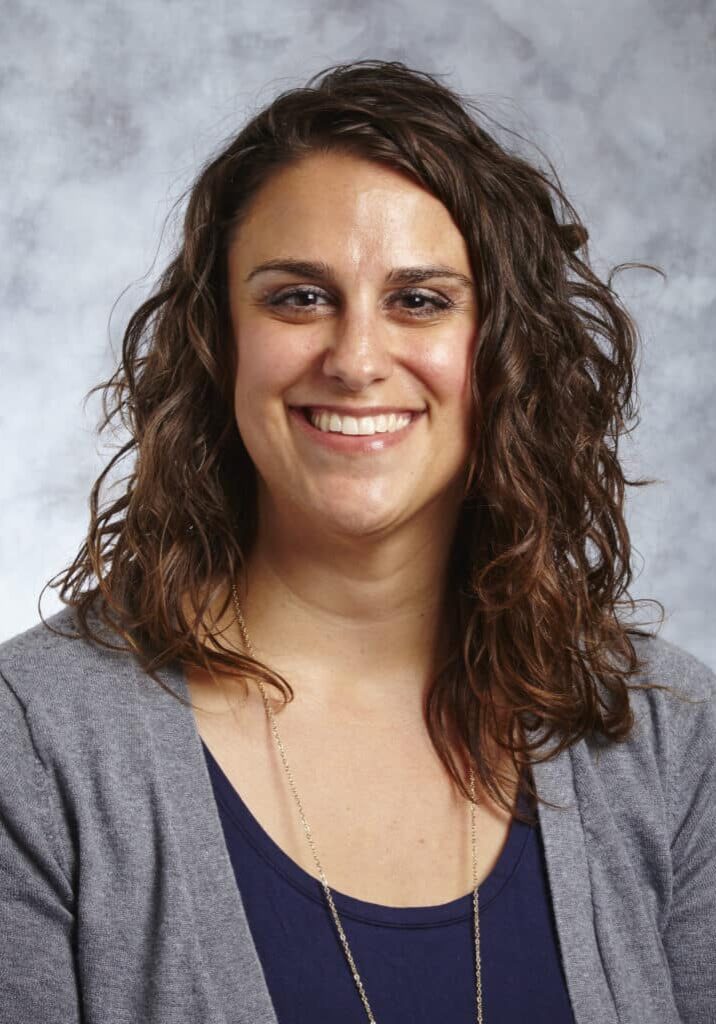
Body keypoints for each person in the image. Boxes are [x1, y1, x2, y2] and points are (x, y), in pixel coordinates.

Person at [0, 58, 714, 1024]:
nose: (356, 360)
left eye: (420, 300)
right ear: (219, 342)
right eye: (298, 297)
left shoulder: (671, 739)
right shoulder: (35, 744)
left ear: (506, 348)